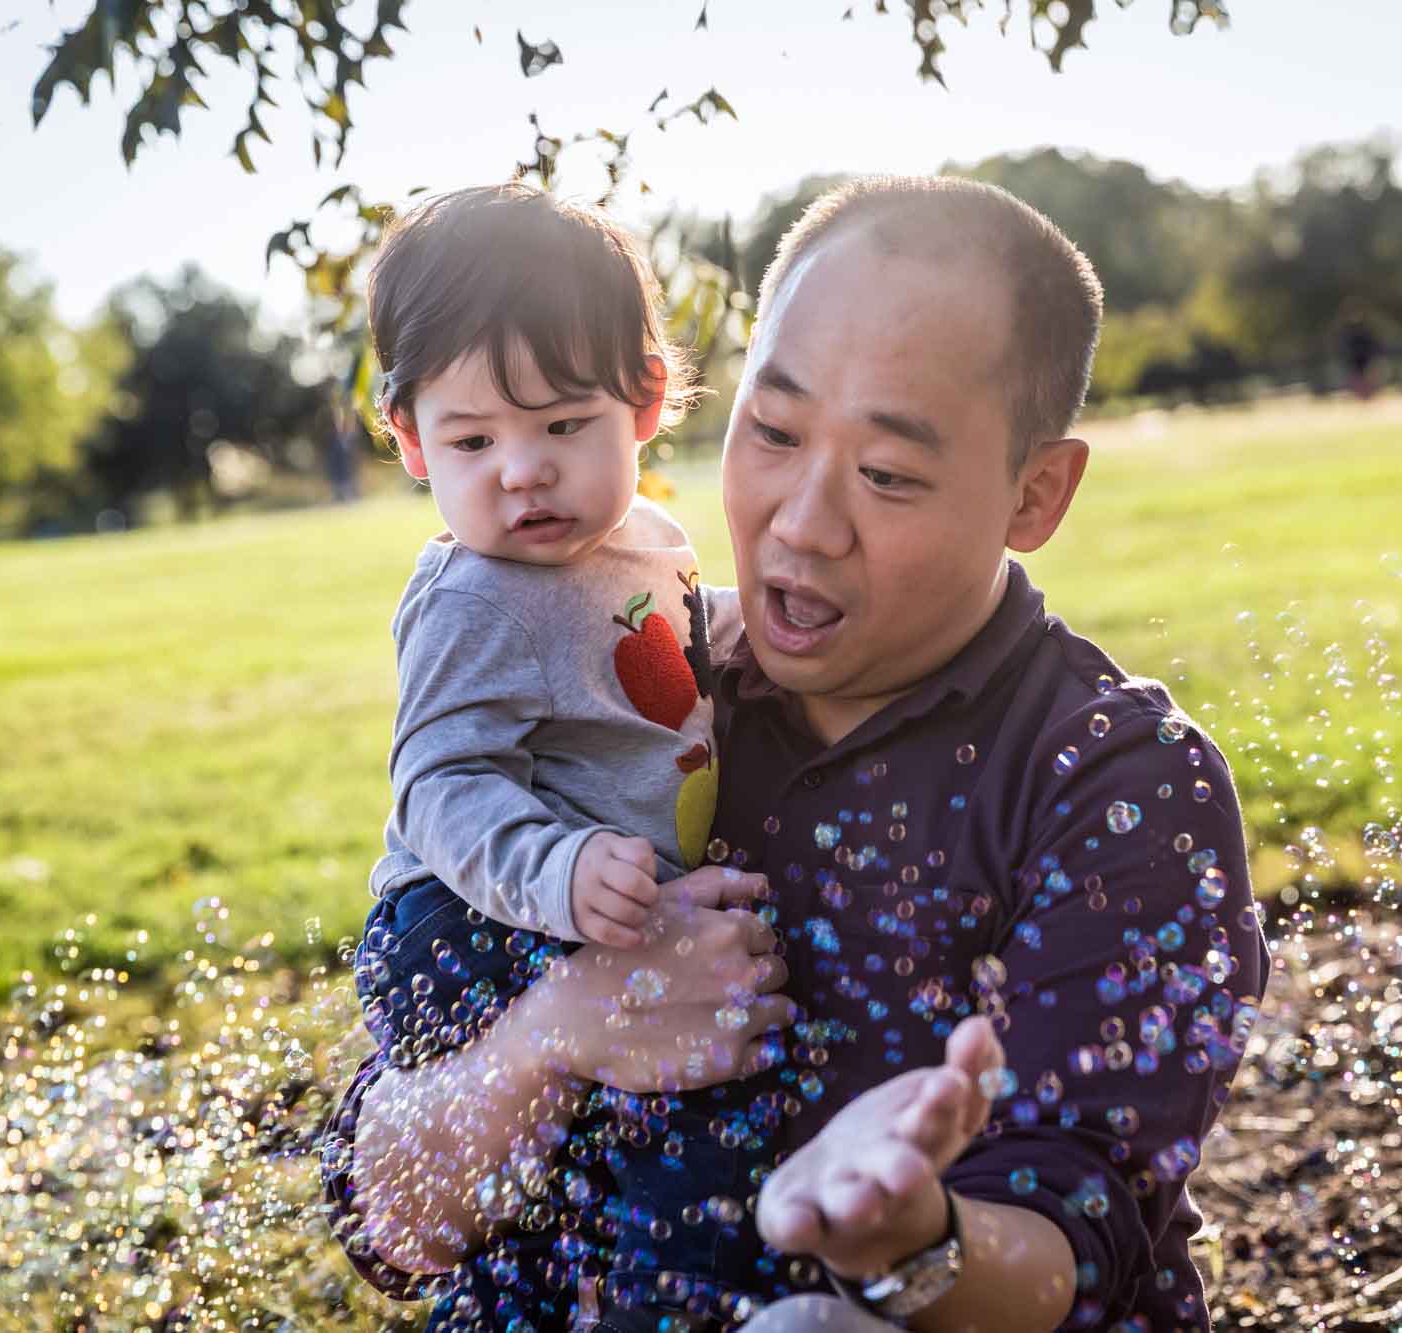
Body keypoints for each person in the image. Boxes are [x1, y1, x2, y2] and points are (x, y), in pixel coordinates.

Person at [321, 175, 1270, 1333]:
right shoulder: (633, 685)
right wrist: (555, 1034)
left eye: (887, 474)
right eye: (770, 432)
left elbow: (1082, 1240)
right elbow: (387, 1222)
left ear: (1035, 493)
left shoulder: (1111, 783)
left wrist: (909, 1242)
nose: (802, 523)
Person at [350, 183, 775, 1330]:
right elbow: (438, 785)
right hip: (463, 922)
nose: (521, 471)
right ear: (408, 439)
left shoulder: (643, 538)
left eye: (560, 425)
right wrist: (554, 868)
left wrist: (758, 629)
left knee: (629, 1125)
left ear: (643, 404)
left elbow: (663, 638)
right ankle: (642, 1296)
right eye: (473, 440)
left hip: (568, 898)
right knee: (599, 1150)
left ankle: (614, 1284)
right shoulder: (473, 596)